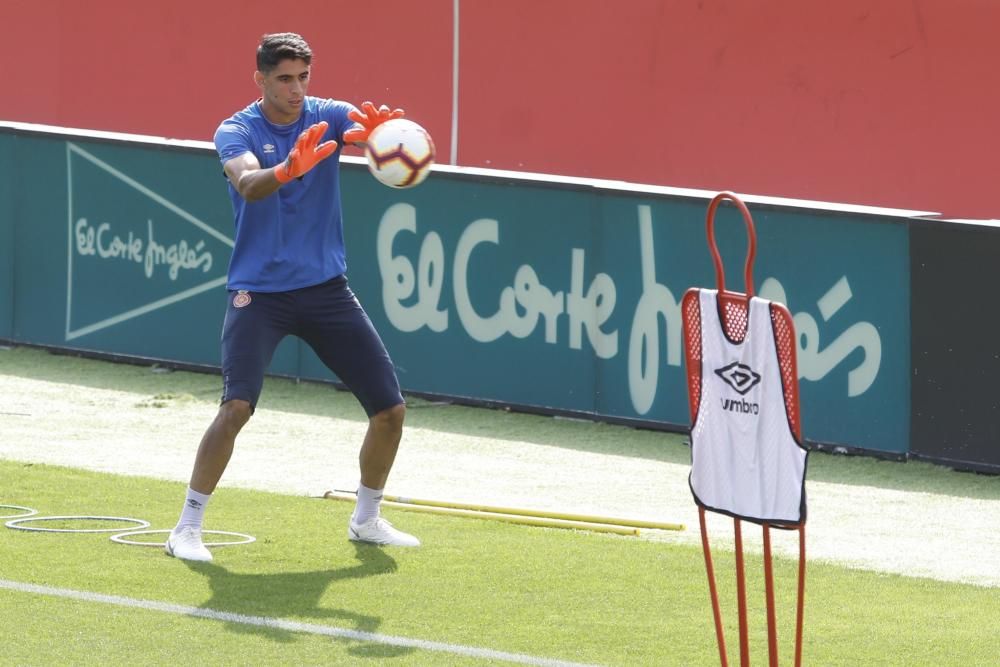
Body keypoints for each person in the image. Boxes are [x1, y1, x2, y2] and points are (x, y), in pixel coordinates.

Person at [165, 32, 418, 562]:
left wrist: (385, 136)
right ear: (260, 79)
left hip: (326, 290)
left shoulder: (326, 113)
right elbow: (248, 184)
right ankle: (186, 528)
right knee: (235, 408)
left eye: (303, 76)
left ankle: (366, 518)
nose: (297, 88)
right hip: (260, 294)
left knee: (390, 410)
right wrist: (287, 169)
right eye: (284, 78)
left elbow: (374, 135)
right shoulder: (236, 130)